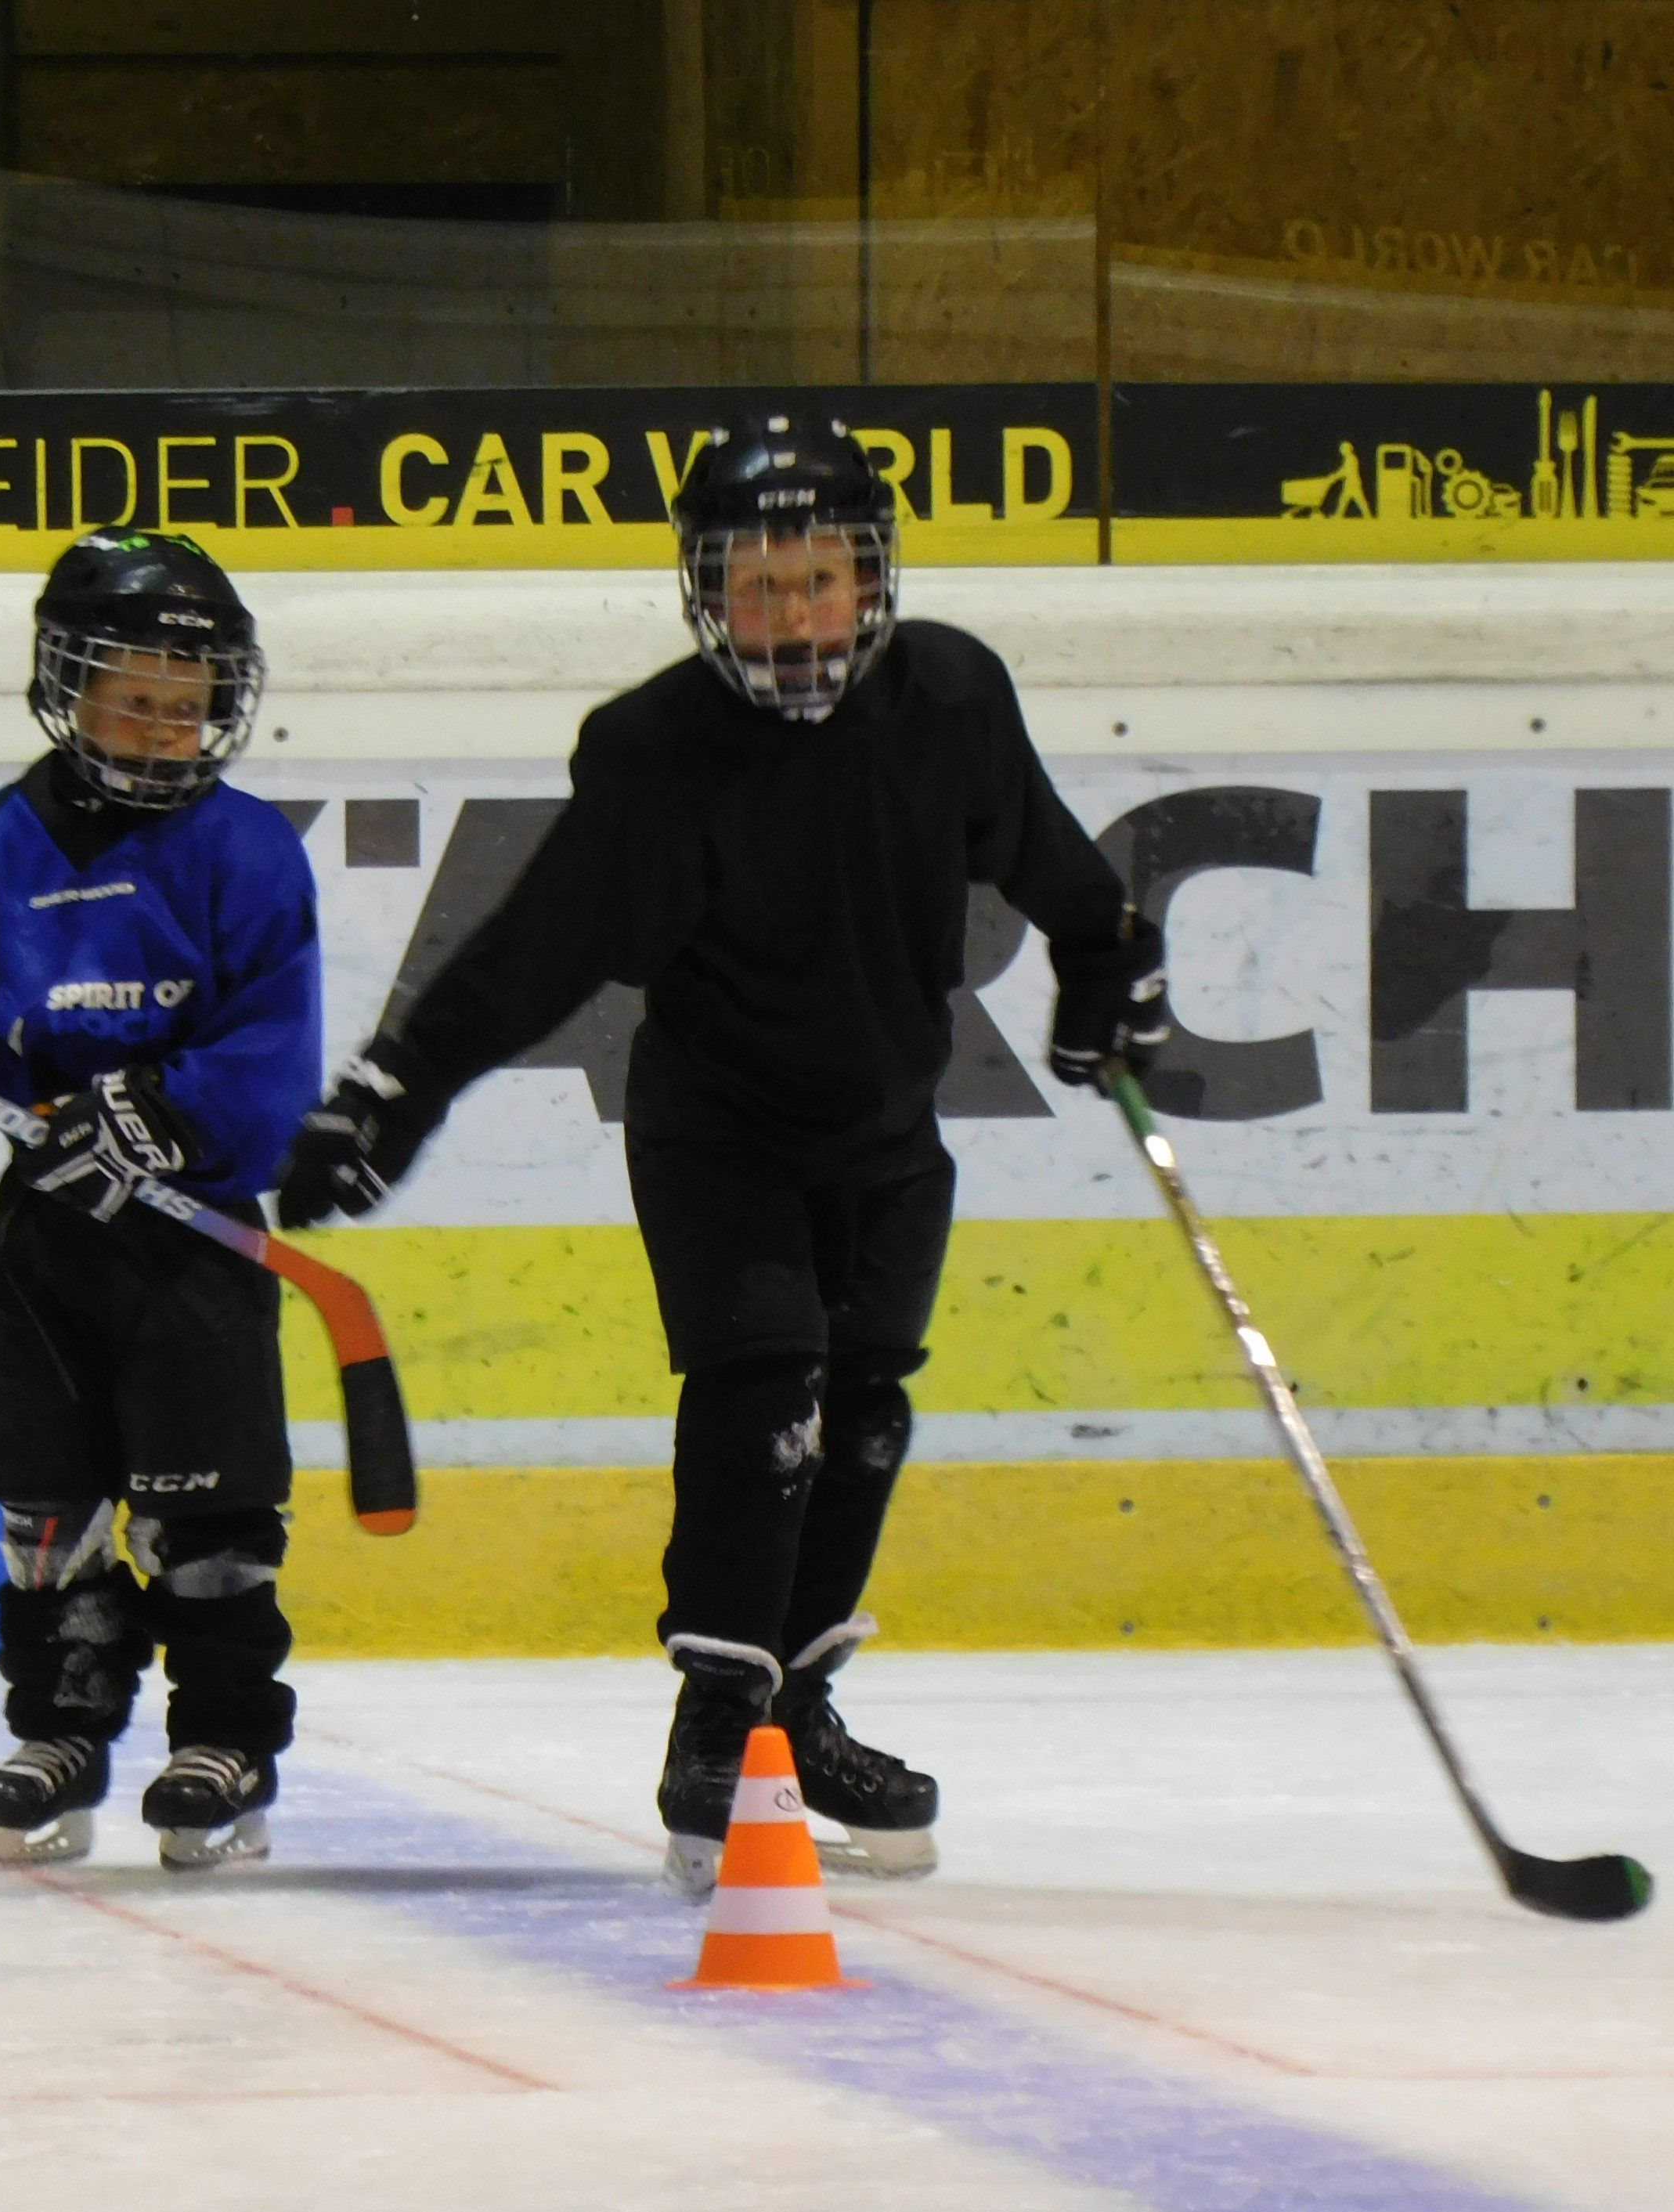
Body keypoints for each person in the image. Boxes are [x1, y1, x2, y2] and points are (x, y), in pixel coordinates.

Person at [274, 413, 1171, 1898]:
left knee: (867, 1412)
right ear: (704, 595)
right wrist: (395, 1090)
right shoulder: (658, 752)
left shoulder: (952, 695)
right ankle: (718, 1716)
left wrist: (1107, 957)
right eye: (757, 590)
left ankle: (796, 1705)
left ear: (872, 579)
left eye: (818, 582)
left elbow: (1055, 862)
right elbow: (534, 951)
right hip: (722, 1137)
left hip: (888, 1134)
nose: (792, 617)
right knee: (766, 1390)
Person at [0, 528, 319, 1871]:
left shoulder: (249, 853)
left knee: (208, 1515)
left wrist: (161, 1113)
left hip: (192, 1236)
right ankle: (60, 1729)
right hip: (48, 1233)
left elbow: (273, 1049)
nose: (169, 727)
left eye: (191, 701)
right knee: (48, 1509)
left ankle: (222, 1738)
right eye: (138, 696)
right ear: (71, 684)